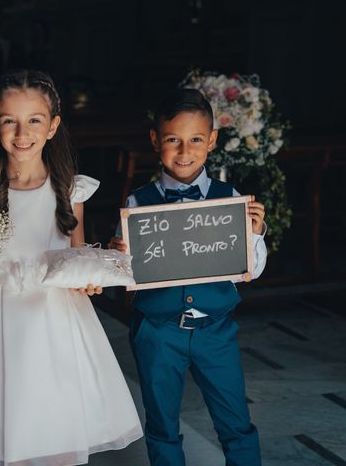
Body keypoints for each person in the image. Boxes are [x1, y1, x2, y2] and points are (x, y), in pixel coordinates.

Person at [0, 70, 142, 465]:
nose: (22, 132)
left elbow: (76, 257)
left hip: (57, 323)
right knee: (3, 422)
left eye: (34, 120)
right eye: (9, 121)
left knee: (57, 420)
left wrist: (90, 280)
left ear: (52, 126)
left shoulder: (69, 190)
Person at [109, 88, 267, 466]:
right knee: (162, 423)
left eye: (195, 139)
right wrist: (115, 258)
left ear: (212, 140)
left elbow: (251, 272)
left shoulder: (232, 199)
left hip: (216, 331)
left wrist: (256, 235)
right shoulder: (136, 204)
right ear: (155, 141)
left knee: (236, 421)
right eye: (173, 140)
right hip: (158, 332)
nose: (184, 151)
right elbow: (124, 274)